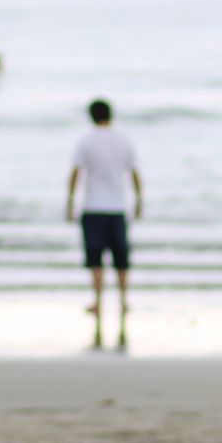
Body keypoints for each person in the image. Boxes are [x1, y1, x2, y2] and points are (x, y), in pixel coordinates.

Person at [67, 97, 143, 325]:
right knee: (121, 258)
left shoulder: (86, 141)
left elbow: (76, 173)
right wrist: (139, 199)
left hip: (92, 206)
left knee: (95, 259)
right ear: (111, 115)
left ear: (91, 116)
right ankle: (124, 300)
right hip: (117, 206)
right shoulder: (124, 140)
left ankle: (98, 301)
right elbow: (134, 172)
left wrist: (70, 200)